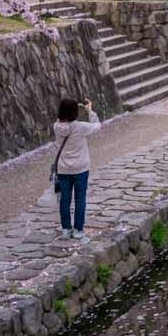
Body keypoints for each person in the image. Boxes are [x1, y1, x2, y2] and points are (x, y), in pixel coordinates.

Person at [53, 98, 102, 241]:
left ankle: (66, 229)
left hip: (63, 169)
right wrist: (89, 110)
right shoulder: (80, 127)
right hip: (81, 168)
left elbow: (60, 120)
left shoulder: (56, 126)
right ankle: (78, 230)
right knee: (80, 199)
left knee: (64, 200)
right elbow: (97, 126)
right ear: (74, 112)